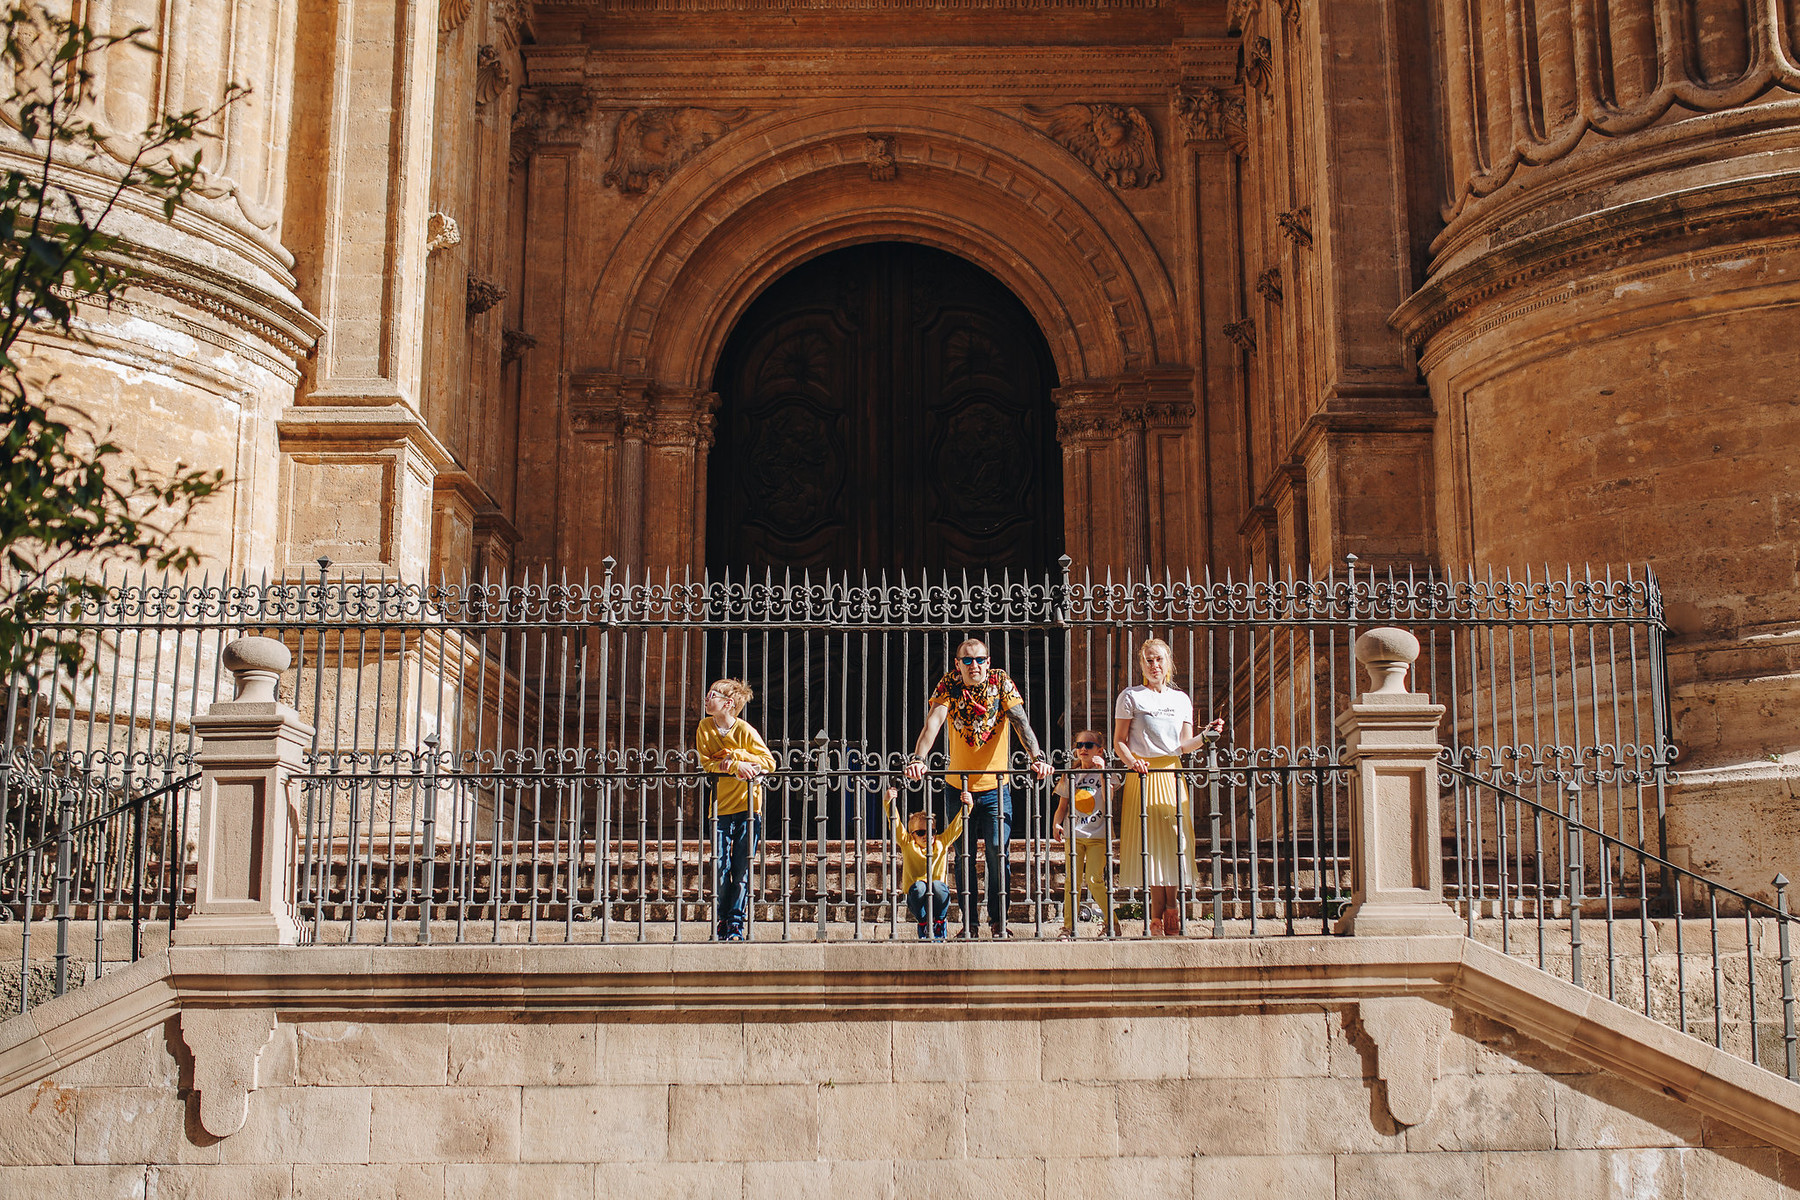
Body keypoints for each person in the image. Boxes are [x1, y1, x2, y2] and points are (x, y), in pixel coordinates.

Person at [903, 637, 1053, 938]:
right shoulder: (949, 685)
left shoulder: (1001, 682)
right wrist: (919, 758)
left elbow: (1022, 723)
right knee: (963, 856)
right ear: (957, 664)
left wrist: (1037, 757)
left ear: (988, 661)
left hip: (996, 787)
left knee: (999, 852)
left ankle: (998, 921)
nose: (975, 665)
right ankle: (969, 924)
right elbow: (933, 723)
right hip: (958, 788)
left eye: (980, 659)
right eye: (968, 660)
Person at [1113, 639, 1225, 936]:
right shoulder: (1130, 697)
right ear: (1142, 664)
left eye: (1159, 659)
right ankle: (1157, 914)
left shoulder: (1181, 699)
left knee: (1175, 841)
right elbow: (1119, 741)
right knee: (1151, 844)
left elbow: (1184, 745)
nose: (1154, 665)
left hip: (1172, 773)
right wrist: (1131, 762)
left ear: (1168, 662)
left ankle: (1172, 905)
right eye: (1148, 660)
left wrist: (1206, 735)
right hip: (1143, 773)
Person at [695, 678, 777, 941]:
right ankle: (722, 917)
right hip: (719, 808)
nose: (707, 698)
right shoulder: (704, 728)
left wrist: (738, 755)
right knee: (719, 866)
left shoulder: (745, 730)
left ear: (728, 703)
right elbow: (706, 762)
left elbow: (769, 762)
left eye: (712, 694)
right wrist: (733, 767)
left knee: (741, 869)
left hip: (748, 807)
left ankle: (735, 924)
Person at [1051, 729, 1117, 939]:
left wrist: (1102, 772)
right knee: (1072, 881)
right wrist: (1057, 824)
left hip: (1098, 836)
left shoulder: (1107, 773)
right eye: (1079, 745)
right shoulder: (1071, 774)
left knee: (1094, 879)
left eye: (1088, 745)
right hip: (1075, 834)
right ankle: (1068, 927)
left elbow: (1109, 799)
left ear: (1100, 749)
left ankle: (1111, 923)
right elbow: (1063, 805)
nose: (1083, 749)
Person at [885, 786, 971, 939]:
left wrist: (968, 806)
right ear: (912, 835)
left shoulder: (941, 842)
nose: (927, 836)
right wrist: (888, 802)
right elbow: (896, 824)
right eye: (921, 832)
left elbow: (956, 827)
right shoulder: (908, 844)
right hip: (917, 895)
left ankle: (939, 921)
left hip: (938, 892)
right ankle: (924, 922)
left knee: (937, 886)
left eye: (931, 831)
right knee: (920, 887)